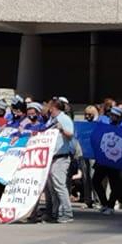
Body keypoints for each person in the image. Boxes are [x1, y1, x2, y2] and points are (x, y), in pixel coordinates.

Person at [45, 96, 76, 224]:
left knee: (59, 185)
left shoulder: (64, 119)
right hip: (52, 157)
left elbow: (70, 135)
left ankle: (67, 213)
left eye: (50, 108)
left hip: (61, 157)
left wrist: (61, 129)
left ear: (55, 107)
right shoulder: (51, 120)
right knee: (52, 187)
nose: (48, 110)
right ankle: (55, 212)